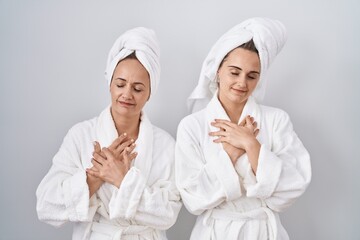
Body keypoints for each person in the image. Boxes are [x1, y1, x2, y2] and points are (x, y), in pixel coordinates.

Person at [36, 27, 181, 240]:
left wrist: (122, 180)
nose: (127, 94)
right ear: (110, 85)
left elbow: (169, 213)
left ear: (150, 93)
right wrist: (94, 177)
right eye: (120, 84)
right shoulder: (81, 135)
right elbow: (46, 205)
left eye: (138, 88)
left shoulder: (165, 145)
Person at [175, 18, 311, 240]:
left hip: (264, 232)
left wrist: (251, 144)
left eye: (252, 76)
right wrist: (231, 153)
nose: (242, 83)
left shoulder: (276, 119)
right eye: (234, 72)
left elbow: (294, 185)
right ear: (218, 70)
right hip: (214, 233)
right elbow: (193, 199)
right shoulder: (192, 125)